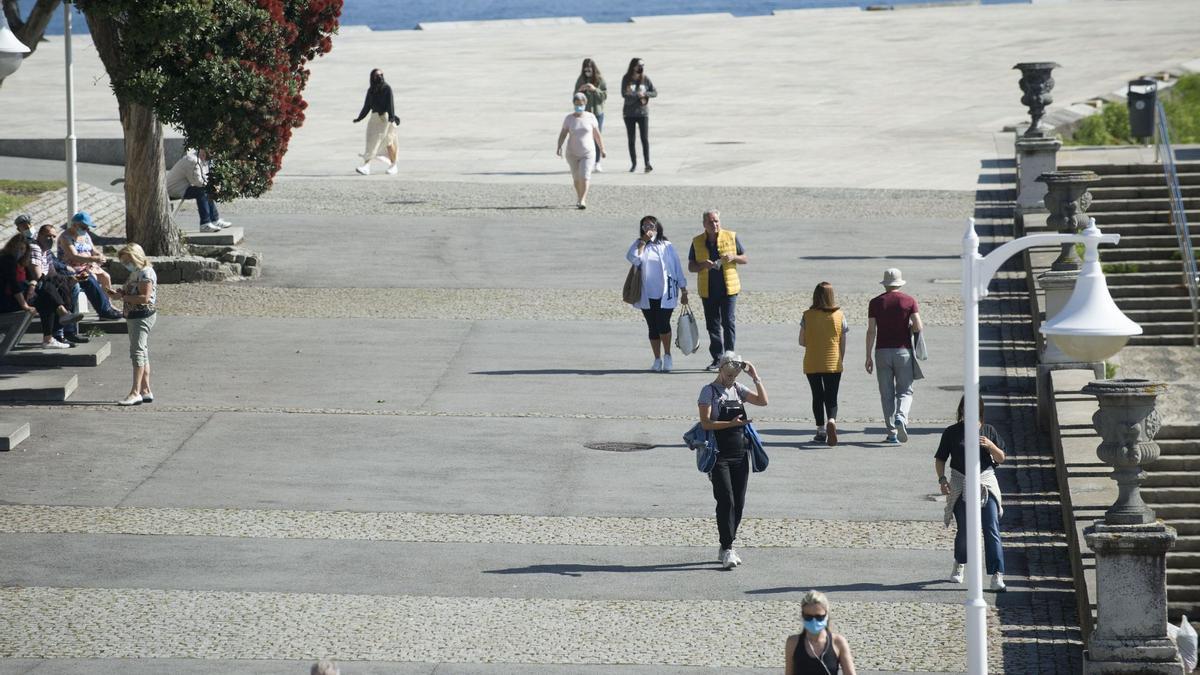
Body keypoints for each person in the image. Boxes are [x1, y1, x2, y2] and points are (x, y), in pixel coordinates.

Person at [697, 351, 767, 569]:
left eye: (735, 375)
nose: (731, 379)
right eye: (728, 375)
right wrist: (732, 424)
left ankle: (726, 544)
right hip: (719, 454)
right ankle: (728, 548)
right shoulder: (708, 391)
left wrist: (755, 376)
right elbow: (706, 423)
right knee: (725, 499)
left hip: (740, 453)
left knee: (739, 502)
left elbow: (763, 401)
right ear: (721, 369)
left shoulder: (738, 389)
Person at [935, 396, 1007, 592]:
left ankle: (997, 574)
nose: (969, 412)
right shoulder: (952, 432)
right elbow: (940, 458)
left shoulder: (989, 430)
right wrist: (942, 480)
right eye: (966, 408)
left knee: (991, 527)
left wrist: (991, 446)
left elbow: (1001, 458)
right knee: (965, 530)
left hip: (985, 482)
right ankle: (960, 562)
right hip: (961, 481)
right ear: (961, 409)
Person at [864, 268, 923, 444]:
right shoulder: (909, 301)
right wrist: (909, 327)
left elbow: (871, 331)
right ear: (899, 283)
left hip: (882, 352)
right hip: (903, 351)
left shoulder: (875, 302)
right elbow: (918, 326)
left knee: (886, 394)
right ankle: (901, 417)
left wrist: (868, 356)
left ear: (885, 284)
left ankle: (891, 433)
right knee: (905, 390)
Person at [625, 216, 688, 372]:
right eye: (645, 226)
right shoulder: (639, 244)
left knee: (663, 324)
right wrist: (643, 241)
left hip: (666, 293)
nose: (648, 229)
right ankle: (657, 359)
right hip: (646, 294)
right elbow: (634, 258)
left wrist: (684, 289)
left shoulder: (667, 246)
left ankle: (667, 355)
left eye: (651, 225)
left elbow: (677, 268)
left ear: (657, 227)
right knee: (652, 326)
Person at [688, 209, 747, 371]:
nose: (714, 224)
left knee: (728, 321)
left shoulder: (731, 236)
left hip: (729, 288)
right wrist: (702, 265)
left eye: (716, 221)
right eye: (710, 222)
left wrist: (734, 257)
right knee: (712, 325)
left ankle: (729, 356)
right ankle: (717, 358)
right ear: (704, 224)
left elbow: (745, 258)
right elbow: (691, 266)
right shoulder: (697, 241)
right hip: (708, 289)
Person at [0, 234, 81, 349]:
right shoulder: (6, 260)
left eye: (23, 249)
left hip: (20, 296)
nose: (20, 252)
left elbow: (33, 277)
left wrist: (32, 284)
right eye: (18, 248)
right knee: (47, 294)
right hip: (6, 301)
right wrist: (25, 306)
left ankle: (50, 336)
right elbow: (14, 285)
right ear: (11, 246)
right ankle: (61, 317)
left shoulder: (22, 262)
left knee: (47, 295)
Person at [105, 243, 157, 406]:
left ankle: (135, 392)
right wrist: (120, 294)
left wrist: (123, 298)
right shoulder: (137, 272)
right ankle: (145, 390)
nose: (126, 264)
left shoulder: (144, 273)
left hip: (141, 314)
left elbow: (144, 298)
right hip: (135, 314)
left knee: (137, 353)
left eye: (127, 261)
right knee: (142, 351)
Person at [799, 282, 847, 446]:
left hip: (812, 361)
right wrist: (841, 358)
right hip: (833, 362)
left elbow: (802, 341)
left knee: (817, 396)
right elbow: (842, 341)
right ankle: (832, 420)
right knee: (831, 396)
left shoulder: (807, 315)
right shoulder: (839, 315)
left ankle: (820, 431)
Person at [26, 224, 85, 348]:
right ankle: (61, 321)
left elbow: (51, 273)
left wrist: (72, 279)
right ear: (39, 235)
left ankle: (60, 331)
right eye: (48, 236)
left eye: (53, 236)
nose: (51, 239)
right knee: (49, 292)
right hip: (29, 289)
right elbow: (37, 276)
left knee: (71, 286)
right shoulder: (35, 248)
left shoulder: (46, 251)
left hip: (43, 286)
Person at [57, 212, 123, 321]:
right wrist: (93, 259)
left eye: (88, 227)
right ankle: (104, 309)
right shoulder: (65, 237)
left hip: (88, 264)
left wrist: (99, 256)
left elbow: (93, 250)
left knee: (105, 276)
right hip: (73, 267)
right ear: (75, 225)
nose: (87, 230)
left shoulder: (86, 235)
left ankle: (108, 305)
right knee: (90, 277)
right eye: (84, 227)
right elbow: (73, 256)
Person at [784, 590, 857, 675]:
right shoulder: (793, 642)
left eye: (819, 617)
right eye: (808, 617)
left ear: (826, 615)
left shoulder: (838, 642)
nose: (814, 621)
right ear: (802, 615)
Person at [556, 92, 606, 209]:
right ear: (574, 104)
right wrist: (559, 146)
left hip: (588, 153)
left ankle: (582, 199)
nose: (579, 106)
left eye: (581, 103)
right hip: (572, 153)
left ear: (585, 104)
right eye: (577, 103)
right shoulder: (569, 118)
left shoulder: (591, 117)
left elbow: (597, 135)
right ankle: (579, 197)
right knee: (576, 178)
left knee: (584, 176)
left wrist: (602, 149)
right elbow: (563, 133)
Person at [166, 147, 231, 233]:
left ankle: (215, 220)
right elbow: (197, 182)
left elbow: (204, 178)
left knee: (206, 189)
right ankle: (205, 224)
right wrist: (212, 186)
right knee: (202, 191)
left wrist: (214, 185)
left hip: (182, 187)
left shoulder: (202, 160)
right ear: (203, 152)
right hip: (173, 190)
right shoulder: (192, 161)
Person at [352, 68, 400, 176]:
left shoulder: (387, 88)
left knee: (387, 142)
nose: (379, 77)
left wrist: (392, 117)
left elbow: (390, 104)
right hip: (374, 118)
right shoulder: (371, 90)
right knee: (372, 142)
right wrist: (360, 118)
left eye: (381, 75)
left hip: (385, 119)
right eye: (377, 75)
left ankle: (393, 165)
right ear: (372, 77)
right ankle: (367, 166)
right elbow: (367, 106)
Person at [620, 57, 656, 173]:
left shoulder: (645, 79)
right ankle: (634, 164)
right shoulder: (626, 78)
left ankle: (647, 163)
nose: (641, 68)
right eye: (638, 65)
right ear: (633, 66)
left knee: (644, 139)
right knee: (631, 139)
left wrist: (645, 93)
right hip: (629, 113)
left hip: (642, 113)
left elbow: (654, 92)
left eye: (642, 66)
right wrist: (637, 95)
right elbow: (624, 94)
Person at [574, 58, 608, 172]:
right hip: (585, 113)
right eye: (585, 68)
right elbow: (575, 97)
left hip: (597, 113)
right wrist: (580, 90)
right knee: (584, 137)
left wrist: (594, 89)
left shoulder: (600, 79)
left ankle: (597, 162)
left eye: (589, 68)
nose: (587, 70)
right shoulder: (581, 79)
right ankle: (585, 161)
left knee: (597, 137)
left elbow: (604, 96)